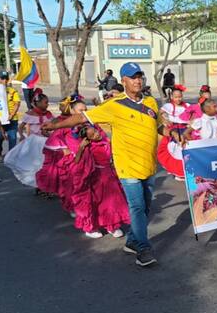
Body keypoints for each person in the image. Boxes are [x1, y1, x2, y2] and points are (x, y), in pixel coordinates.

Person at [42, 62, 163, 267]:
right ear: (123, 80)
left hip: (149, 165)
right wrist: (55, 124)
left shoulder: (151, 102)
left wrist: (177, 135)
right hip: (127, 166)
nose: (138, 80)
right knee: (137, 207)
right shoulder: (114, 105)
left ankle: (132, 241)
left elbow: (159, 126)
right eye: (133, 77)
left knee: (146, 206)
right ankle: (143, 248)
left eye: (140, 76)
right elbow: (82, 117)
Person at [70, 124, 130, 239]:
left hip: (110, 175)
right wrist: (81, 148)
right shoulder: (88, 148)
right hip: (97, 178)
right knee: (100, 203)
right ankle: (93, 227)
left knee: (114, 201)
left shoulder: (105, 141)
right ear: (87, 139)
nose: (96, 135)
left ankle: (112, 225)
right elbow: (77, 161)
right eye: (92, 135)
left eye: (96, 132)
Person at [37, 97, 85, 204]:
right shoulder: (59, 120)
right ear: (71, 109)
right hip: (62, 149)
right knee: (61, 172)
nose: (60, 108)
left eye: (62, 106)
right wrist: (50, 134)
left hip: (71, 149)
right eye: (61, 106)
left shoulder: (80, 121)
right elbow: (46, 130)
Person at [4, 89, 53, 187]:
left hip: (46, 141)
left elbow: (54, 124)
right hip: (34, 141)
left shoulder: (48, 114)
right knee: (34, 163)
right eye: (45, 102)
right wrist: (22, 135)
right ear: (38, 103)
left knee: (45, 163)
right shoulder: (29, 114)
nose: (47, 104)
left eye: (47, 102)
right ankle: (38, 184)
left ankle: (45, 185)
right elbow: (21, 126)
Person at [0, 71, 21, 151]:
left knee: (12, 139)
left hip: (12, 119)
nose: (4, 81)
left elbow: (17, 103)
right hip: (0, 120)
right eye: (2, 79)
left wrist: (11, 115)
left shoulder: (12, 91)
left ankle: (10, 156)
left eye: (6, 79)